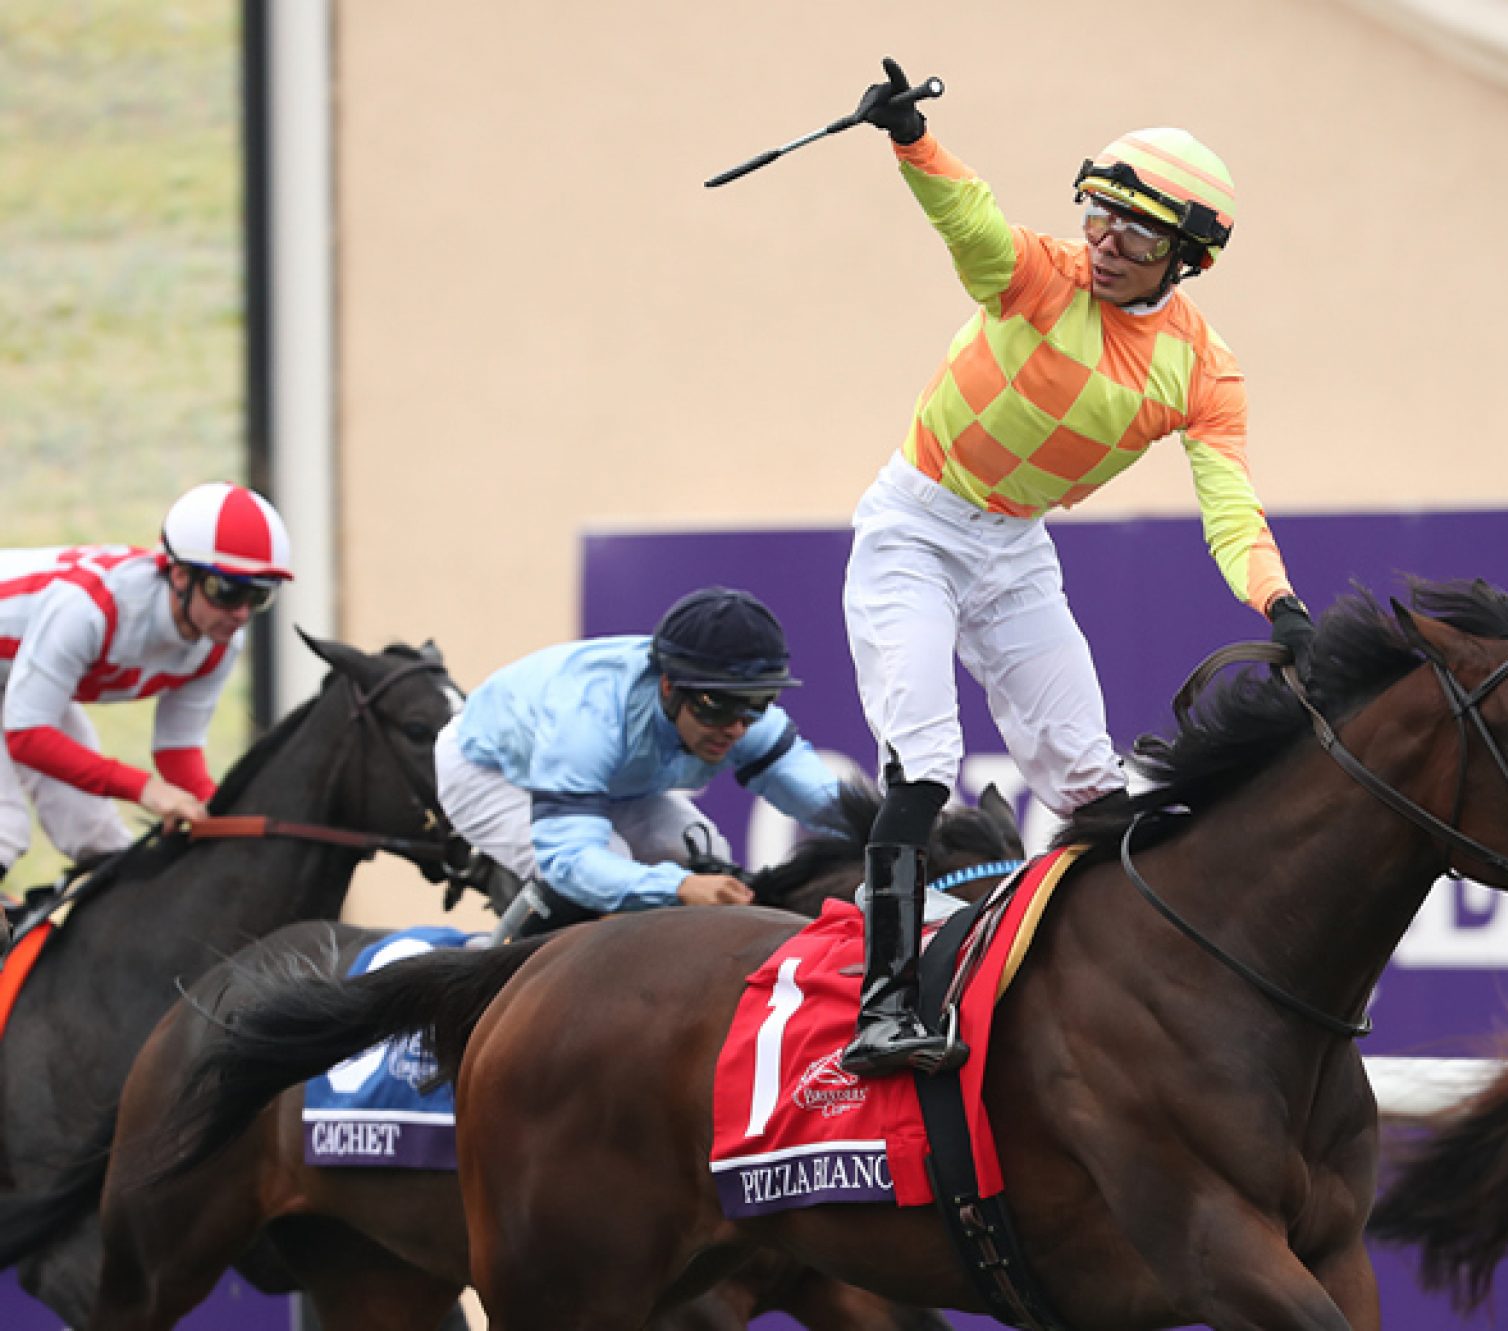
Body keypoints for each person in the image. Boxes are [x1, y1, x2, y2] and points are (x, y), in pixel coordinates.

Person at [835, 58, 1311, 1076]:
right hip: (913, 529)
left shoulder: (1205, 370)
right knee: (923, 764)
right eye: (1098, 213)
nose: (1105, 244)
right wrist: (913, 140)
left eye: (1136, 233)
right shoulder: (1042, 273)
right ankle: (882, 1010)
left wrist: (1280, 602)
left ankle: (1123, 986)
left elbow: (1229, 506)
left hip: (1012, 553)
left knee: (1092, 785)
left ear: (1188, 258)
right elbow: (975, 227)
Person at [434, 586, 843, 935]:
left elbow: (827, 802)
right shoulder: (588, 719)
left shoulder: (743, 721)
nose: (736, 728)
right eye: (717, 706)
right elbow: (570, 861)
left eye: (757, 704)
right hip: (486, 771)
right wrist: (679, 888)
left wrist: (894, 833)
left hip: (611, 776)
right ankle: (494, 981)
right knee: (611, 871)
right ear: (669, 687)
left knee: (707, 855)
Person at [0, 482, 293, 955]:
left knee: (102, 840)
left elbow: (178, 754)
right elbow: (28, 737)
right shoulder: (91, 609)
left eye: (259, 598)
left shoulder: (217, 642)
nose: (239, 613)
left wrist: (225, 824)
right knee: (4, 828)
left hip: (12, 678)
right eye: (227, 590)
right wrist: (145, 789)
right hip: (18, 698)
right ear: (179, 575)